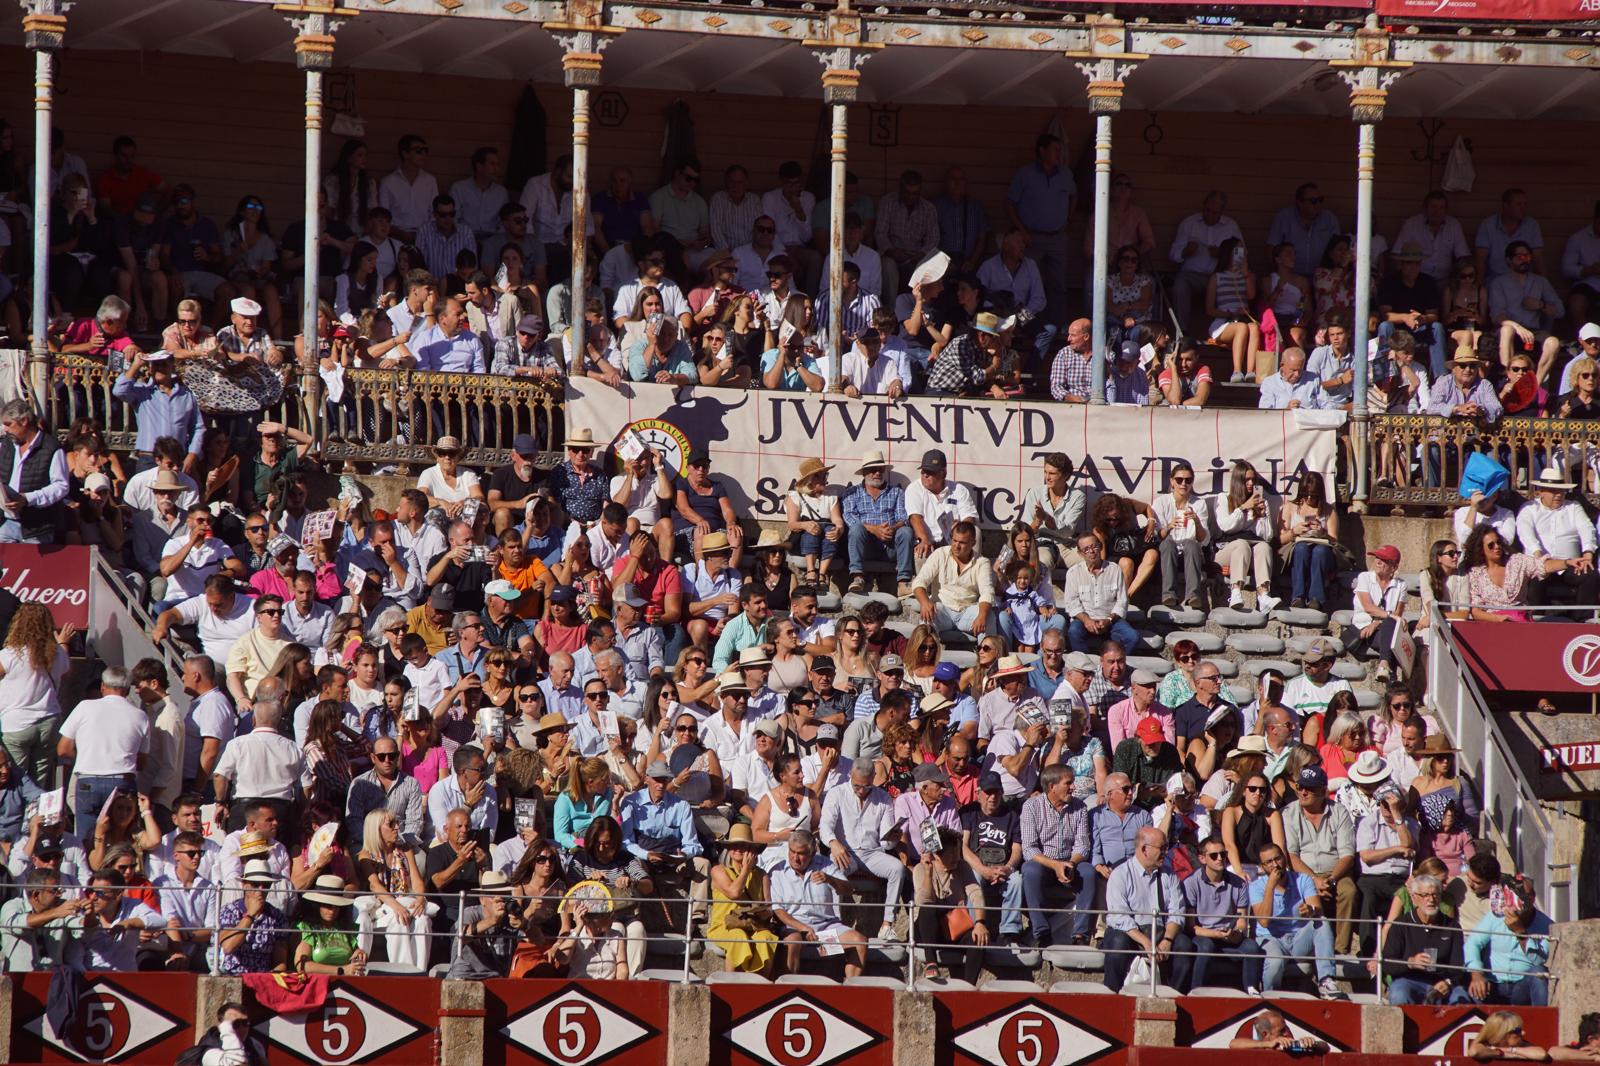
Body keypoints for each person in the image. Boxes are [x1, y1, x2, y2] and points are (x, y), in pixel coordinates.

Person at [769, 830, 870, 979]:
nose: (795, 858)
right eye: (792, 851)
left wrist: (830, 880)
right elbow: (779, 911)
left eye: (801, 853)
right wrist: (803, 928)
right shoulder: (778, 871)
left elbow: (848, 890)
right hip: (796, 929)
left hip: (825, 931)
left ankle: (850, 990)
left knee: (860, 942)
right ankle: (789, 989)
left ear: (812, 852)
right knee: (793, 941)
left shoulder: (824, 864)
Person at [1281, 765, 1358, 959]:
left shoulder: (1339, 812)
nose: (1304, 792)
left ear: (1324, 791)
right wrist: (1315, 880)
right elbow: (1291, 855)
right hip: (1302, 873)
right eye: (1300, 787)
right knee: (1304, 891)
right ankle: (1310, 947)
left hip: (1336, 872)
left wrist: (1330, 879)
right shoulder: (1289, 813)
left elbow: (1347, 855)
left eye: (1310, 788)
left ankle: (1340, 949)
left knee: (1348, 891)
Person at [1100, 826, 1188, 992]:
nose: (1166, 852)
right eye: (1161, 848)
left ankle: (1175, 995)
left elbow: (1177, 912)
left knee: (1184, 945)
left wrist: (1167, 940)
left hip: (1161, 932)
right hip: (1129, 933)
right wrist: (1146, 942)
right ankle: (1111, 993)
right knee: (1117, 944)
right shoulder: (1120, 874)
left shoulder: (1170, 876)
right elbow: (1120, 916)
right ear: (1144, 849)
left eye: (1166, 847)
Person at [1250, 842, 1343, 999]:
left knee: (1322, 922)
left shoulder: (1303, 879)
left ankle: (1326, 980)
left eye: (1277, 859)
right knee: (1275, 962)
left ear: (1284, 858)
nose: (1275, 865)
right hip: (1271, 939)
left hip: (1299, 938)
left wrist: (1311, 910)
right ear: (1262, 866)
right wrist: (1270, 888)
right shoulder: (1256, 886)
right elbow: (1264, 921)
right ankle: (1269, 995)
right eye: (1269, 862)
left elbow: (1317, 908)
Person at [1182, 833, 1265, 993]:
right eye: (1214, 855)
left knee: (1252, 948)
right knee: (1205, 946)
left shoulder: (1239, 884)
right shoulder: (1191, 883)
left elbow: (1242, 920)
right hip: (1203, 935)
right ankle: (1195, 992)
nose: (1220, 858)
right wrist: (1215, 934)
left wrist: (1237, 932)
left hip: (1229, 934)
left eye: (1223, 854)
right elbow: (1191, 927)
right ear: (1202, 858)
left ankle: (1252, 993)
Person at [1382, 871, 1471, 1004]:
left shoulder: (1452, 926)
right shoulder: (1400, 925)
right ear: (1414, 898)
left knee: (1460, 998)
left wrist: (1448, 982)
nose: (1431, 899)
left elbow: (1458, 966)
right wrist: (1410, 962)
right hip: (1410, 980)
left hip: (1442, 982)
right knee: (1399, 994)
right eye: (1425, 895)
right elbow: (1388, 963)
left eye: (1435, 894)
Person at [914, 825, 989, 983]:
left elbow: (975, 893)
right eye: (951, 854)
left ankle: (968, 986)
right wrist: (928, 873)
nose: (956, 858)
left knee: (978, 939)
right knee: (927, 910)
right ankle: (931, 962)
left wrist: (980, 923)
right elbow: (923, 902)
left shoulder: (962, 866)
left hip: (954, 925)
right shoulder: (920, 869)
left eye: (957, 852)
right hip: (927, 928)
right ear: (937, 855)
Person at [705, 823, 779, 977]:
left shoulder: (762, 875)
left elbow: (768, 905)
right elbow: (734, 892)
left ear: (751, 850)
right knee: (738, 936)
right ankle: (731, 983)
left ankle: (762, 983)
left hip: (753, 925)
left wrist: (764, 912)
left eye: (743, 846)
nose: (738, 849)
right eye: (734, 845)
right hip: (724, 926)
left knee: (766, 937)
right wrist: (745, 869)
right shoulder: (718, 871)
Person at [1467, 877, 1553, 1006]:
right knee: (1474, 992)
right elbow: (1473, 943)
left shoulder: (1546, 925)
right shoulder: (1495, 916)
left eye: (1524, 896)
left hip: (1522, 986)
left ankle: (1542, 1022)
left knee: (1539, 973)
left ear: (1532, 898)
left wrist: (1520, 932)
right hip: (1493, 983)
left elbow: (1538, 960)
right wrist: (1477, 974)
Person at [840, 452, 915, 597]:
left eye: (880, 469)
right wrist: (874, 529)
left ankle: (903, 582)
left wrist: (891, 528)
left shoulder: (896, 492)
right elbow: (849, 518)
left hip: (890, 545)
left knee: (906, 531)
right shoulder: (852, 493)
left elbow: (903, 519)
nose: (877, 473)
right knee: (856, 529)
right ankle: (858, 577)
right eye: (872, 470)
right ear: (864, 473)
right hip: (865, 546)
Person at [1062, 533, 1142, 654]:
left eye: (1094, 546)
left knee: (1132, 637)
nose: (1092, 551)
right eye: (1087, 549)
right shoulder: (1073, 573)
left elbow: (1122, 601)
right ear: (1080, 553)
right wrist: (1087, 620)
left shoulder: (1114, 569)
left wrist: (1109, 620)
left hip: (1111, 620)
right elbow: (1071, 604)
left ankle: (1114, 663)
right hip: (1084, 620)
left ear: (1100, 547)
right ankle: (1084, 665)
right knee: (1074, 632)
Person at [1153, 462, 1210, 610]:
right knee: (1167, 543)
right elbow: (1157, 535)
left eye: (1188, 480)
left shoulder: (1199, 504)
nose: (1183, 484)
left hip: (1191, 551)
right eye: (1179, 480)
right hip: (1168, 552)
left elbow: (1204, 539)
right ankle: (1169, 595)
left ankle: (1193, 596)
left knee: (1192, 544)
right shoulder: (1161, 502)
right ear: (1172, 481)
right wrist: (1168, 527)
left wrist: (1196, 522)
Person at [1348, 545, 1408, 682]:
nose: (1378, 561)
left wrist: (1377, 623)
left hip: (1384, 629)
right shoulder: (1364, 577)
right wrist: (1387, 616)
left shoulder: (1401, 585)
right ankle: (1391, 678)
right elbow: (1368, 607)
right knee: (1392, 643)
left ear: (1394, 567)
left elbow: (1397, 615)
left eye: (1384, 560)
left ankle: (1384, 665)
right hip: (1364, 629)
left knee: (1390, 629)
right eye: (1377, 558)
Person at [448, 872, 523, 980]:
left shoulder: (511, 917)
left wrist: (525, 924)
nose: (500, 899)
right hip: (466, 978)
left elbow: (536, 940)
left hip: (497, 980)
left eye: (505, 895)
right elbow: (462, 935)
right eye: (493, 895)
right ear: (482, 899)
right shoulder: (471, 913)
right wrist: (493, 920)